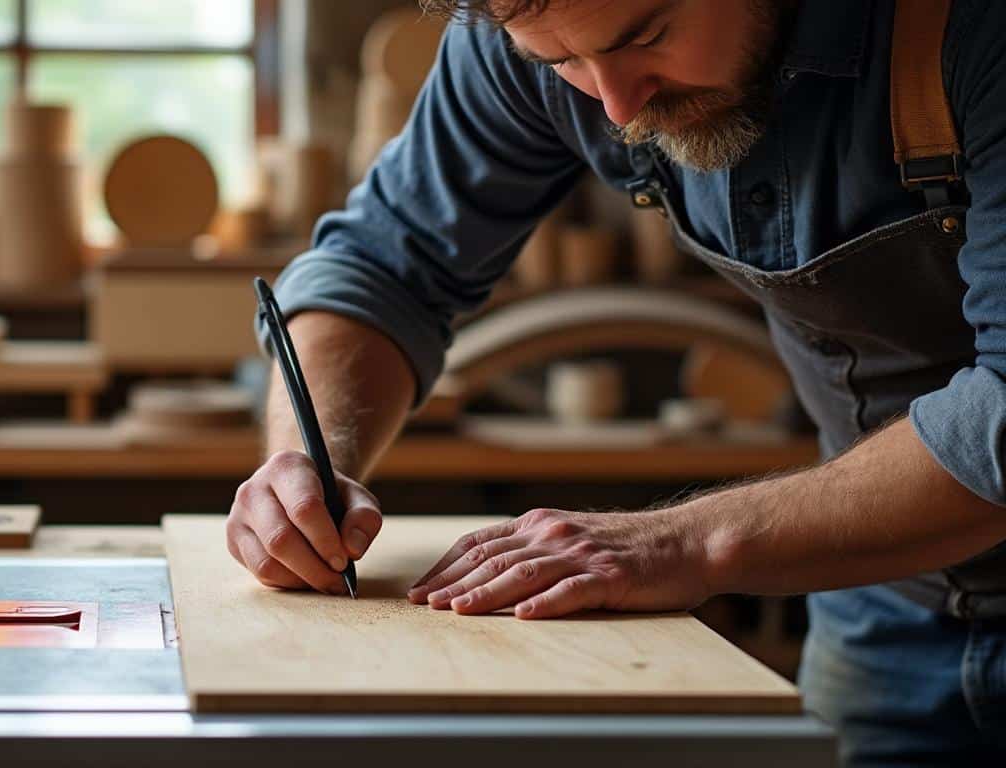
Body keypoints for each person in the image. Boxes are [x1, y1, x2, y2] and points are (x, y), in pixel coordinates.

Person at [225, 1, 1006, 762]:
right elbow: (380, 265)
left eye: (649, 35)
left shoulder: (973, 31)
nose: (616, 103)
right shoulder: (538, 23)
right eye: (561, 63)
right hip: (882, 603)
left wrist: (682, 541)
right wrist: (310, 457)